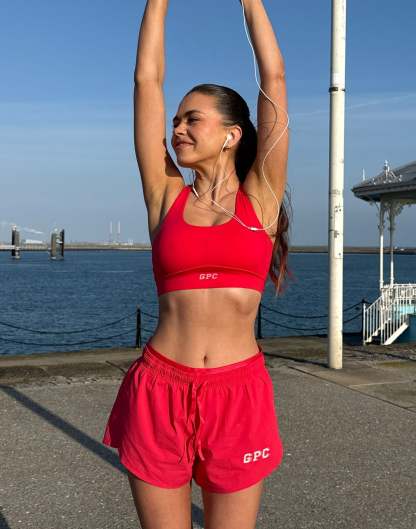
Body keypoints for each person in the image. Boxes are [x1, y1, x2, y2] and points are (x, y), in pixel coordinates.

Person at [102, 1, 291, 527]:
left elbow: (274, 77)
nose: (178, 129)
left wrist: (250, 3)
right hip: (158, 391)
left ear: (232, 134)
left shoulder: (261, 200)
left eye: (192, 119)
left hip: (238, 395)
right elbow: (147, 80)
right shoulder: (166, 196)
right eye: (175, 121)